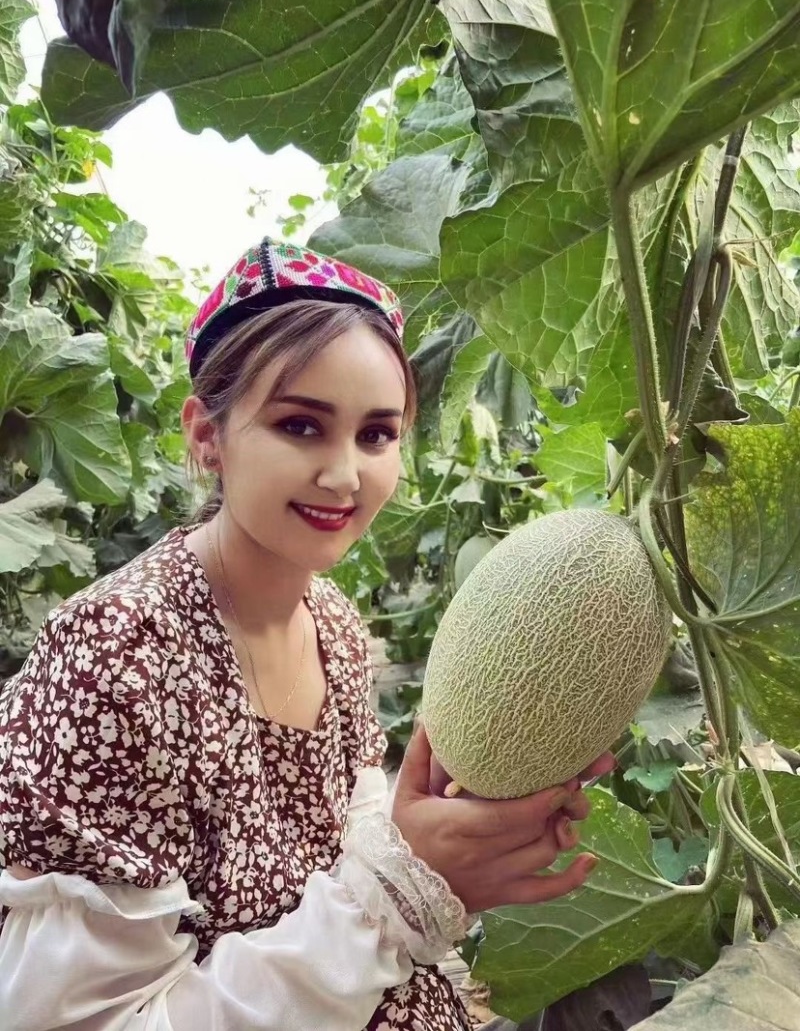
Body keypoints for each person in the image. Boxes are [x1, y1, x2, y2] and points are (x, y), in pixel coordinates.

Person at [0, 238, 613, 1030]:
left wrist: (453, 831)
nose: (344, 474)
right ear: (206, 434)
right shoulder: (116, 654)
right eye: (300, 425)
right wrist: (402, 891)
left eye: (376, 434)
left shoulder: (335, 626)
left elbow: (351, 840)